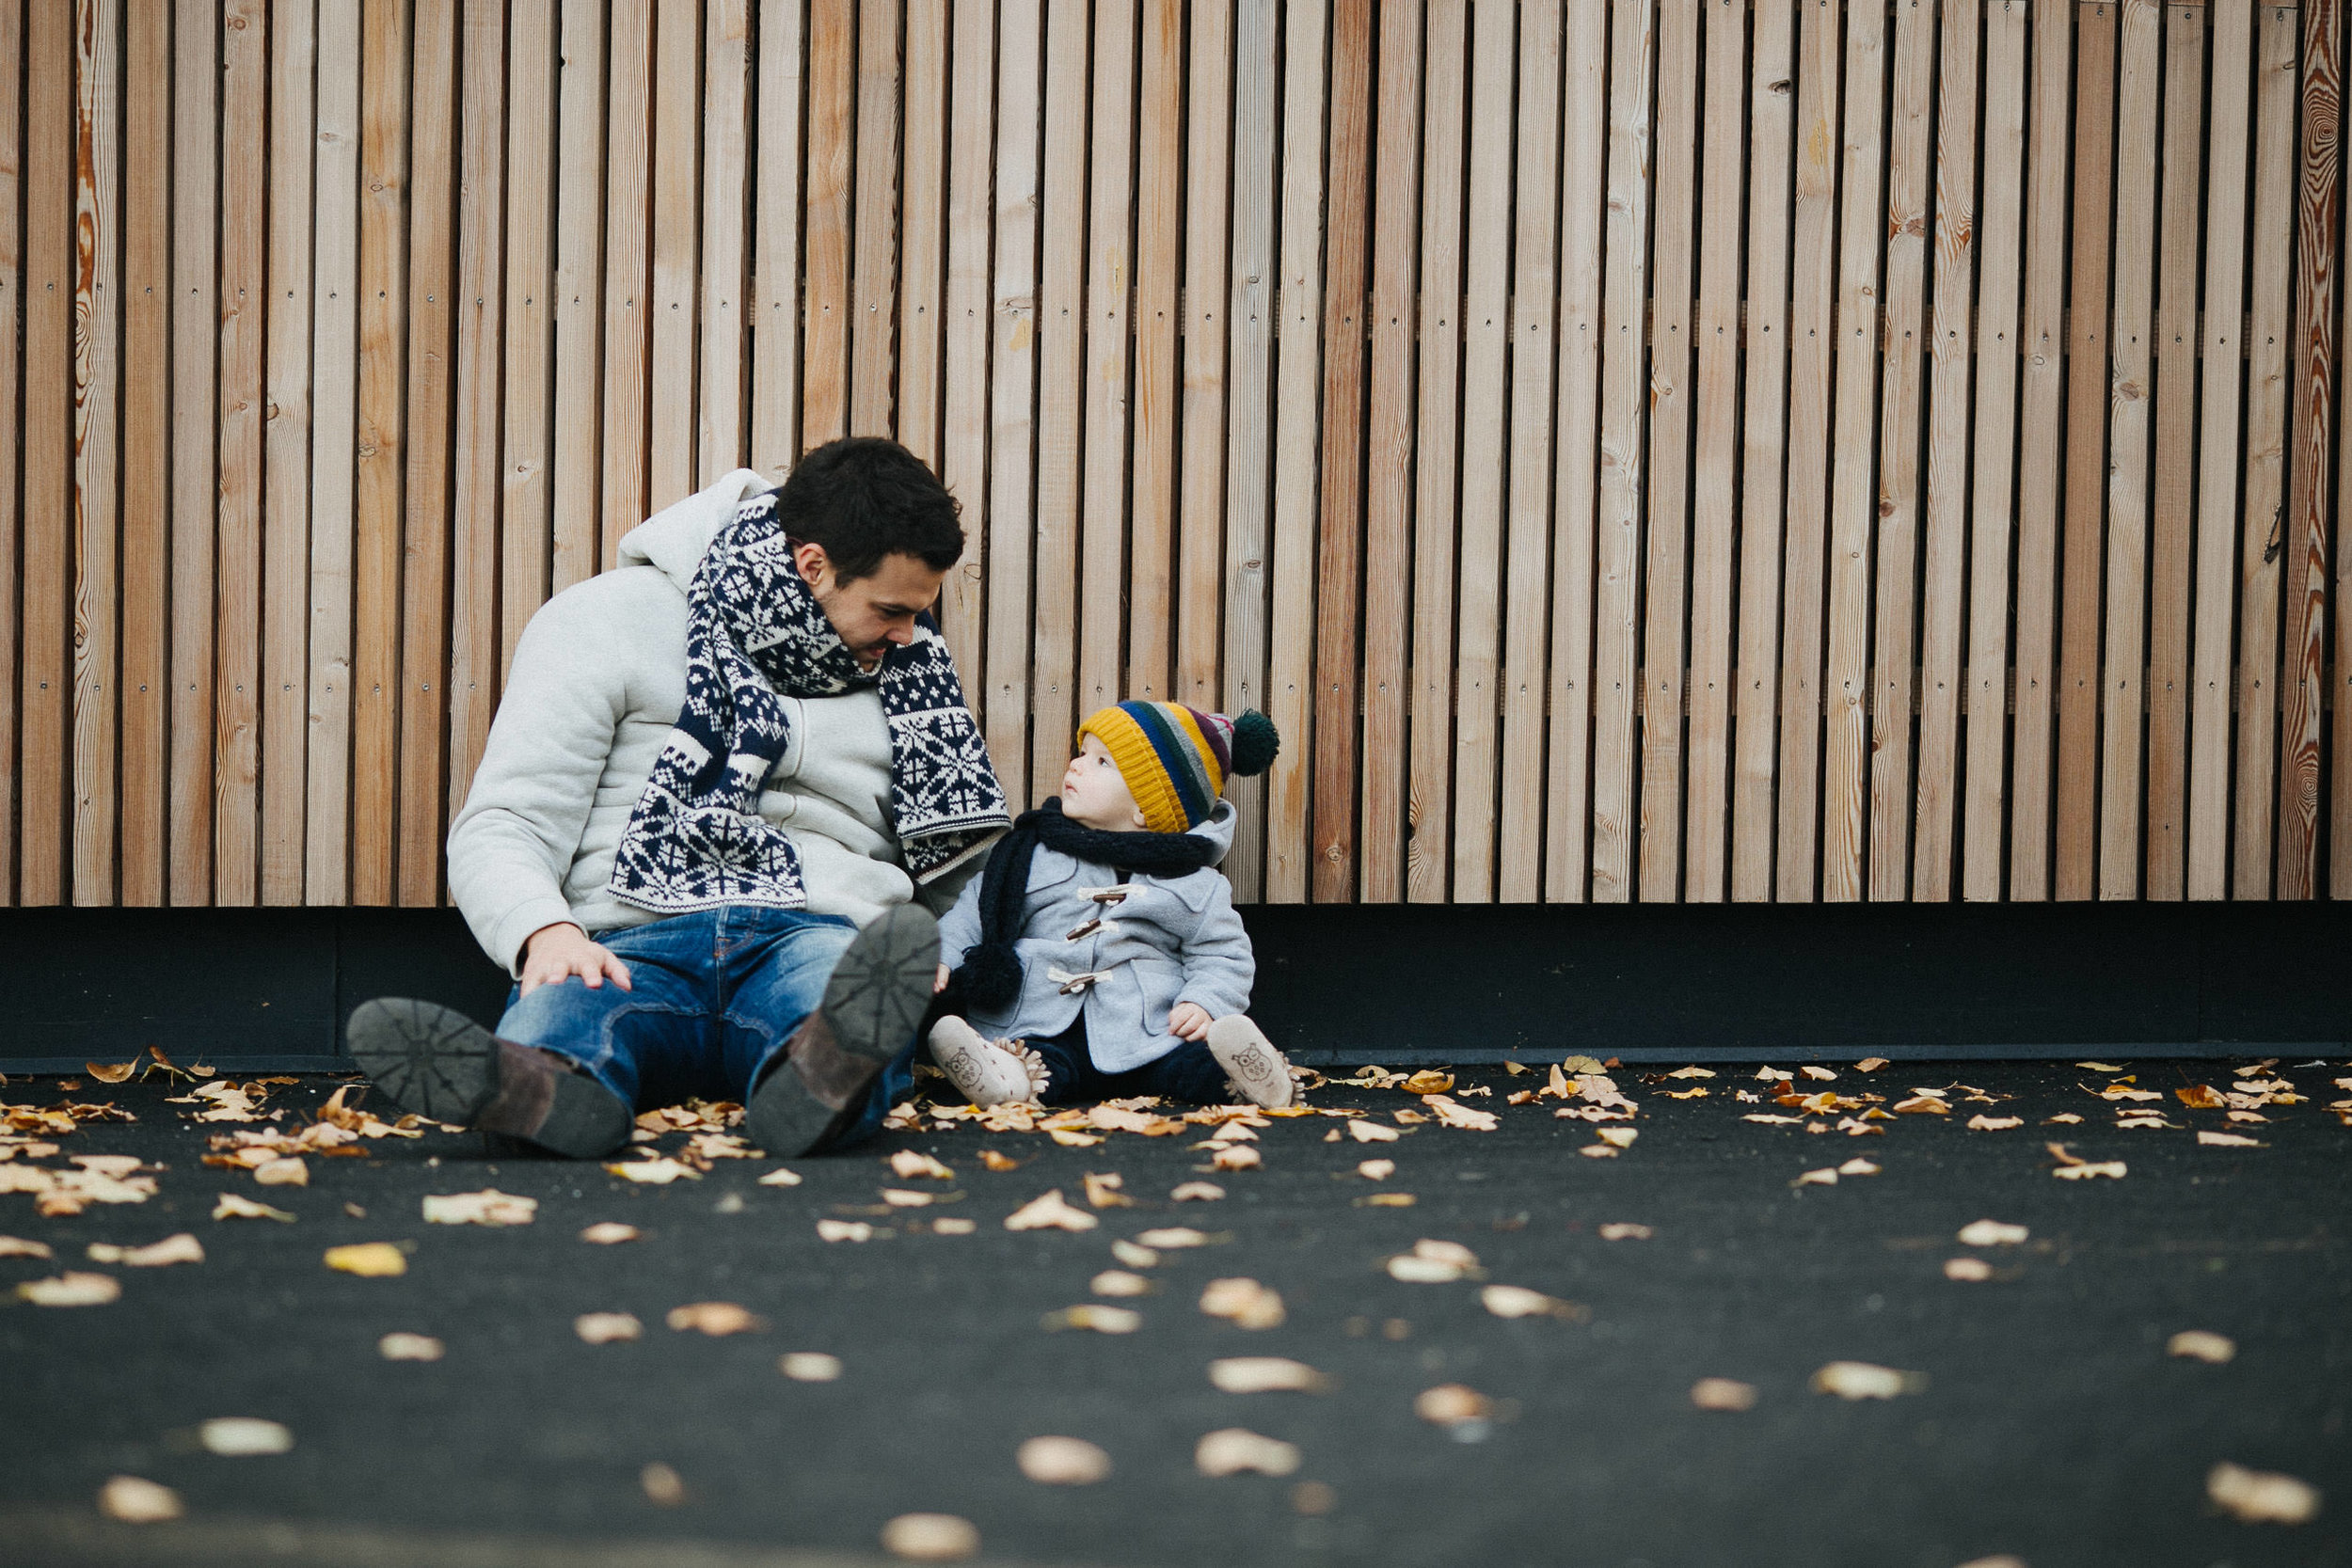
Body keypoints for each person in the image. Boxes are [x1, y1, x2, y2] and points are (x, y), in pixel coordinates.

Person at [344, 437, 1009, 1159]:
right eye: (890, 609)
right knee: (568, 1011)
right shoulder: (602, 620)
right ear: (812, 565)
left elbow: (949, 857)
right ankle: (541, 1086)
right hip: (626, 938)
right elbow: (507, 820)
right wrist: (545, 932)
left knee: (835, 1008)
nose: (911, 634)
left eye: (918, 612)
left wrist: (939, 949)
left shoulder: (911, 666)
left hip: (812, 933)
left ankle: (824, 1085)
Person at [926, 701, 1296, 1111]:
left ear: (1145, 808)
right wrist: (942, 953)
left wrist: (1205, 1001)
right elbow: (977, 910)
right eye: (1083, 753)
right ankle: (1002, 1079)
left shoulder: (1193, 883)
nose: (1076, 765)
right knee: (1035, 1062)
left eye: (1102, 762)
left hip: (1147, 1035)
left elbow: (1222, 952)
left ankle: (1245, 1076)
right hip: (1040, 1023)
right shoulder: (1031, 854)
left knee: (1189, 1064)